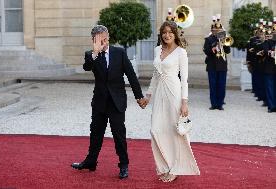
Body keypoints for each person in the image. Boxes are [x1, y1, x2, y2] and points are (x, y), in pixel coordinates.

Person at [71, 25, 147, 179]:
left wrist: (139, 96)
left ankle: (124, 164)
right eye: (99, 39)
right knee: (95, 133)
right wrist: (95, 52)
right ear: (94, 40)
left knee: (119, 134)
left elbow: (131, 75)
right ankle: (91, 161)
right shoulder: (90, 55)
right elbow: (87, 67)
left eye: (105, 38)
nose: (103, 42)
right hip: (99, 101)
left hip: (117, 101)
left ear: (108, 37)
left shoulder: (119, 53)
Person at [144, 21, 200, 183]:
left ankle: (175, 168)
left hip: (174, 93)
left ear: (175, 33)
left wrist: (184, 102)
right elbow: (155, 75)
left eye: (170, 32)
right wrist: (148, 95)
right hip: (160, 93)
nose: (167, 35)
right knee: (156, 129)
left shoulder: (181, 52)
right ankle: (164, 166)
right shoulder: (157, 50)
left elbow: (185, 80)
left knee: (175, 131)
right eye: (164, 32)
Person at [203, 14, 231, 110]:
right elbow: (205, 51)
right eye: (215, 30)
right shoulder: (208, 39)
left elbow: (228, 51)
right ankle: (213, 104)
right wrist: (213, 49)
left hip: (222, 65)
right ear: (212, 30)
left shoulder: (224, 39)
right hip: (212, 65)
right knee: (213, 85)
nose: (217, 31)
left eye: (219, 30)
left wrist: (224, 43)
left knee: (221, 85)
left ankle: (220, 104)